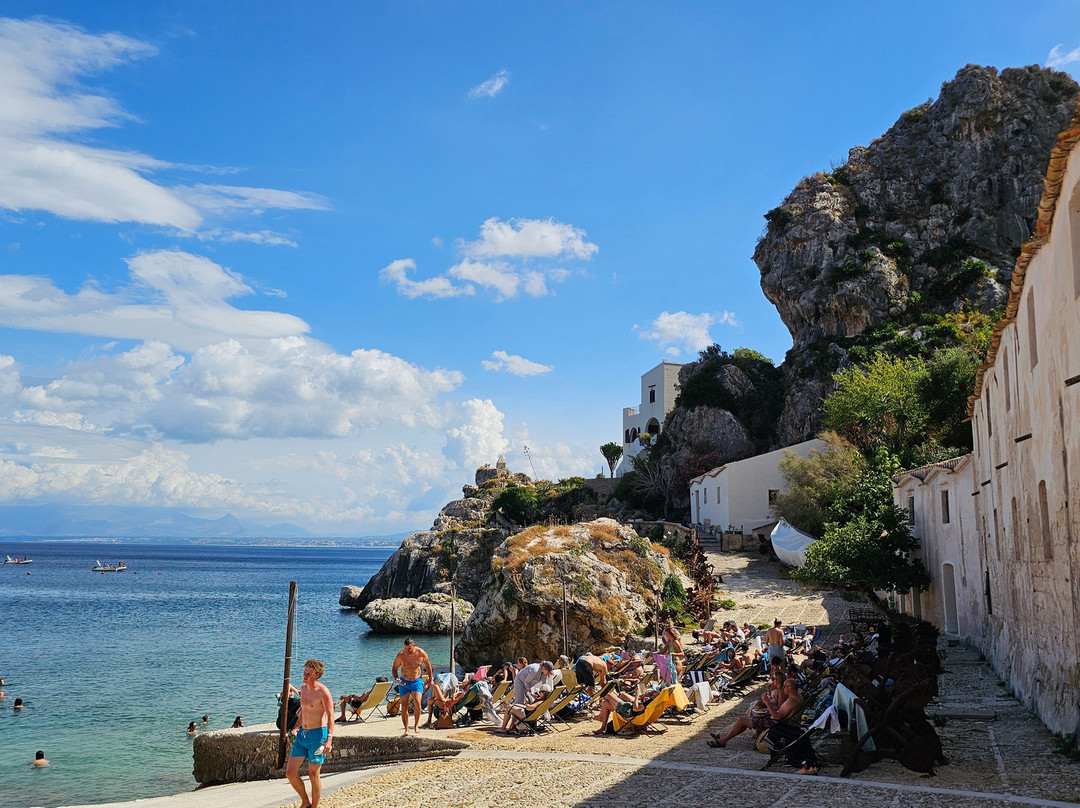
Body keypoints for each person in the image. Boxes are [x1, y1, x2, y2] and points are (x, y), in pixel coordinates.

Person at [286, 658, 335, 808]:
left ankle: (315, 806)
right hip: (303, 735)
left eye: (309, 672)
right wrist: (294, 728)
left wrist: (329, 740)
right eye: (304, 671)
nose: (305, 675)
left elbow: (331, 716)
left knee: (313, 774)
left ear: (317, 675)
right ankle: (306, 801)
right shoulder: (303, 688)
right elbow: (303, 713)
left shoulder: (323, 692)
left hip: (317, 735)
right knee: (290, 773)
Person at [708, 677, 804, 747]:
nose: (783, 688)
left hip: (775, 725)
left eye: (785, 686)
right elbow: (781, 713)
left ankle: (723, 740)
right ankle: (724, 736)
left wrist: (767, 702)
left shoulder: (791, 701)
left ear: (790, 688)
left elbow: (777, 717)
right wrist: (768, 711)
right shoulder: (798, 697)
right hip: (783, 723)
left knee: (741, 720)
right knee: (744, 721)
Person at [391, 637, 432, 737]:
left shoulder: (421, 653)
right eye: (405, 648)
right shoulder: (400, 655)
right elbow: (394, 669)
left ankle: (416, 726)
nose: (406, 650)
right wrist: (397, 679)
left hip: (416, 681)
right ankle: (406, 729)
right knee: (404, 705)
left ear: (413, 646)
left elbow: (428, 666)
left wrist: (430, 679)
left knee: (417, 703)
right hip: (404, 682)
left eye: (409, 648)